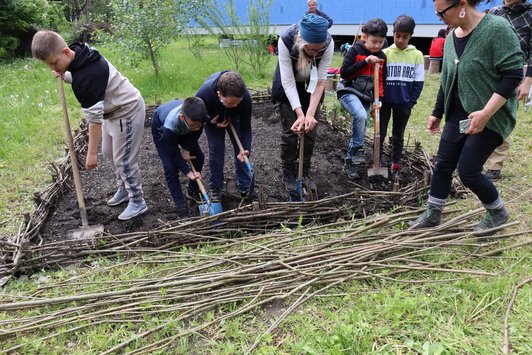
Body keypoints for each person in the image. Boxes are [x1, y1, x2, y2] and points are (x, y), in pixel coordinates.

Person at [409, 0, 523, 235]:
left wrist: (485, 113)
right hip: (458, 115)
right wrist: (437, 112)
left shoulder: (496, 28)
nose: (439, 17)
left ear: (461, 4)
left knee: (468, 171)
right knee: (442, 165)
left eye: (442, 12)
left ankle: (497, 211)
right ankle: (433, 213)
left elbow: (512, 75)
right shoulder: (451, 38)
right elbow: (446, 80)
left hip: (491, 115)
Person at [31, 30, 148, 221]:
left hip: (127, 111)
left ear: (66, 52)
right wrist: (66, 76)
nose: (53, 67)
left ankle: (138, 201)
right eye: (49, 65)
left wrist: (91, 154)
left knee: (124, 160)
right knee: (110, 153)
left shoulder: (87, 78)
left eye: (54, 63)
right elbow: (81, 73)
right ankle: (124, 188)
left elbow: (94, 120)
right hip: (113, 110)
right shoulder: (81, 52)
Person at [271, 13, 334, 199]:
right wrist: (300, 114)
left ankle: (304, 171)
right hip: (288, 84)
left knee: (310, 130)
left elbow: (321, 82)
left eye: (319, 50)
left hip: (312, 85)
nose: (316, 53)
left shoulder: (328, 44)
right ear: (301, 42)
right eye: (311, 50)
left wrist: (310, 114)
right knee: (292, 131)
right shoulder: (286, 40)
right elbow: (289, 83)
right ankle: (288, 172)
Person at [484, 0, 531, 181]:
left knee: (502, 116)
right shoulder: (495, 12)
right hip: (487, 71)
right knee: (479, 110)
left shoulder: (530, 14)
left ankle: (495, 165)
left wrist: (527, 82)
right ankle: (474, 158)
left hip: (512, 73)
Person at [336, 18, 388, 179]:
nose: (377, 46)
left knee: (360, 126)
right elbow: (344, 73)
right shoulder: (355, 51)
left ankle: (350, 163)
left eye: (381, 42)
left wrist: (378, 100)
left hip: (365, 98)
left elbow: (380, 81)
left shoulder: (382, 56)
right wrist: (365, 62)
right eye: (374, 41)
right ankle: (358, 148)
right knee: (360, 115)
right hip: (348, 91)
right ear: (365, 37)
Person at [195, 71, 254, 202]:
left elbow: (246, 127)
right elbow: (195, 115)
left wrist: (246, 148)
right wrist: (210, 120)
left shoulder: (245, 98)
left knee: (242, 151)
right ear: (219, 95)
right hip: (212, 117)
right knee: (216, 149)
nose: (235, 106)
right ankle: (216, 187)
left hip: (235, 117)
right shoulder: (204, 94)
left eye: (237, 103)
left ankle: (245, 186)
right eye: (230, 103)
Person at [381, 15, 425, 178]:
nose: (400, 40)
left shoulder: (417, 55)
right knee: (381, 133)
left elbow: (418, 82)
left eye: (405, 37)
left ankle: (395, 164)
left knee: (398, 136)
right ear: (393, 33)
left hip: (403, 104)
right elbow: (378, 79)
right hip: (384, 103)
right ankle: (377, 163)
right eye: (397, 36)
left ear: (411, 36)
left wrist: (410, 103)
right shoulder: (384, 53)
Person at [151, 97, 209, 218]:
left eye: (200, 125)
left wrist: (187, 149)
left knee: (199, 157)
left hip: (185, 127)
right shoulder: (169, 126)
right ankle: (180, 205)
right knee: (170, 167)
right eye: (194, 125)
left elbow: (197, 131)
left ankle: (192, 191)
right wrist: (188, 172)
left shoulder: (199, 118)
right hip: (161, 128)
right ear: (183, 117)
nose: (198, 128)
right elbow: (173, 153)